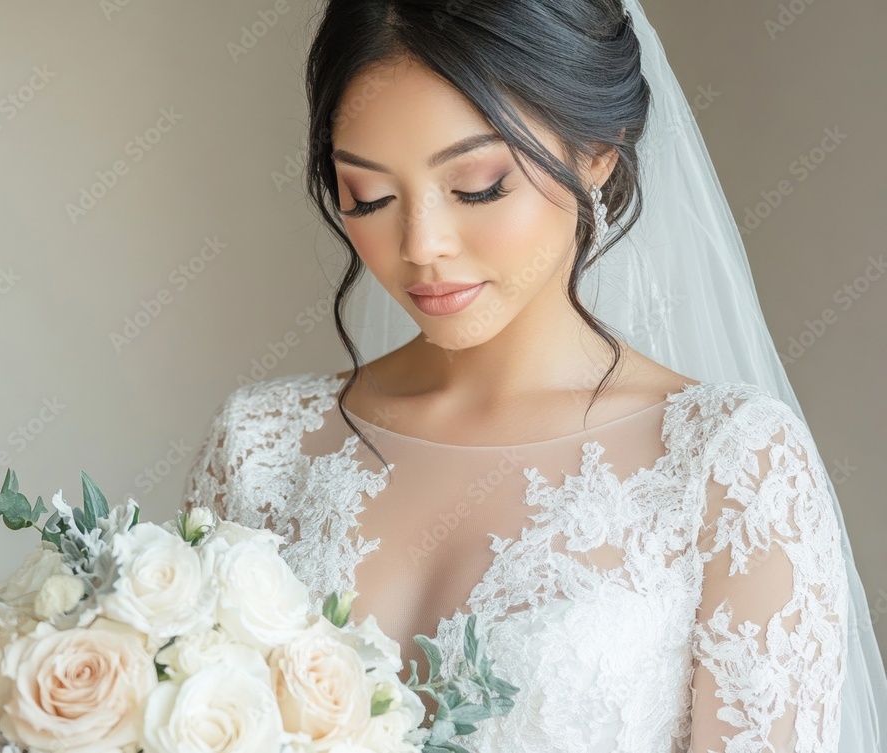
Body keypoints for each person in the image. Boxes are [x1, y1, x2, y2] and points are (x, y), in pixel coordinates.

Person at [183, 0, 887, 749]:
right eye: (370, 196)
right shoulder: (260, 445)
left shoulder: (732, 468)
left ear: (598, 153)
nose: (422, 245)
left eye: (479, 186)